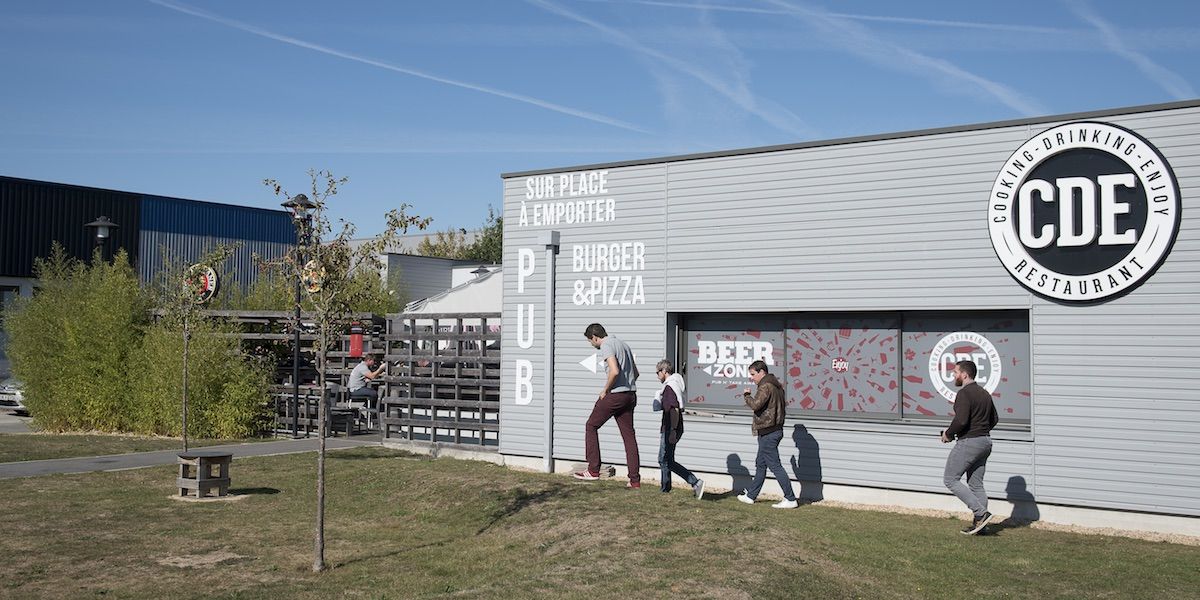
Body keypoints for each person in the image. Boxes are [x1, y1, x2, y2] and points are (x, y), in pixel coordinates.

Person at [574, 323, 642, 488]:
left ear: (595, 337)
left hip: (616, 395)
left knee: (591, 426)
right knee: (629, 437)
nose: (592, 344)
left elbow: (614, 370)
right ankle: (634, 480)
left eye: (591, 341)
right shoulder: (623, 345)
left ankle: (593, 470)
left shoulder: (606, 345)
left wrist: (606, 390)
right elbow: (636, 373)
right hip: (630, 394)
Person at [941, 359, 999, 535]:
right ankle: (981, 526)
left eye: (955, 372)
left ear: (964, 374)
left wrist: (948, 435)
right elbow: (994, 419)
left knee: (950, 479)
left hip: (970, 442)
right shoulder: (984, 393)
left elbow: (961, 420)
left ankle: (981, 513)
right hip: (985, 442)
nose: (953, 375)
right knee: (976, 484)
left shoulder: (964, 393)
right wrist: (981, 431)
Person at [737, 360, 798, 509]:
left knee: (775, 466)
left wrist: (746, 396)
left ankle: (790, 498)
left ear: (761, 372)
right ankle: (751, 495)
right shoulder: (776, 386)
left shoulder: (765, 386)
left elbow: (756, 405)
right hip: (773, 430)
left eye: (753, 374)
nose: (752, 378)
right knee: (761, 464)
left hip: (768, 432)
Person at [654, 360, 704, 499]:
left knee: (664, 459)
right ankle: (666, 488)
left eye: (657, 373)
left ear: (664, 371)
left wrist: (673, 430)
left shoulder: (669, 387)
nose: (657, 376)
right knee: (667, 459)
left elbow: (674, 409)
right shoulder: (674, 385)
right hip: (672, 426)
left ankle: (694, 482)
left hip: (671, 426)